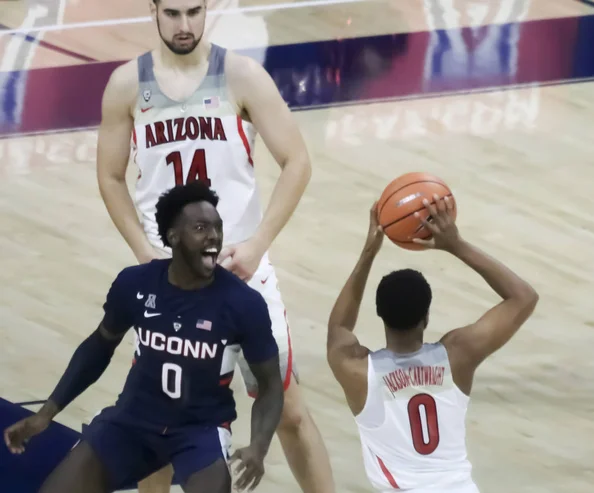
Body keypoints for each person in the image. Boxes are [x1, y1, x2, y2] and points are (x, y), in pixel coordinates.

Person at [95, 1, 335, 492]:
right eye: (173, 14)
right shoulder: (126, 85)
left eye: (194, 11)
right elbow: (110, 175)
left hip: (243, 274)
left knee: (288, 410)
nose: (184, 25)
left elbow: (297, 161)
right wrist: (144, 252)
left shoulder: (242, 76)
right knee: (156, 427)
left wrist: (257, 243)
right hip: (170, 285)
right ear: (154, 10)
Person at [3, 182, 284, 493]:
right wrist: (46, 413)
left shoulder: (243, 303)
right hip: (131, 421)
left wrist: (259, 446)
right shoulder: (135, 284)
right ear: (173, 236)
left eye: (217, 227)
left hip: (199, 431)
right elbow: (99, 347)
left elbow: (270, 384)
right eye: (201, 228)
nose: (214, 236)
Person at [326, 195, 539, 492]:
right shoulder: (457, 356)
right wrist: (456, 245)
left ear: (380, 315)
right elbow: (523, 297)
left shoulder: (358, 371)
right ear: (426, 317)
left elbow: (338, 328)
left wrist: (369, 252)